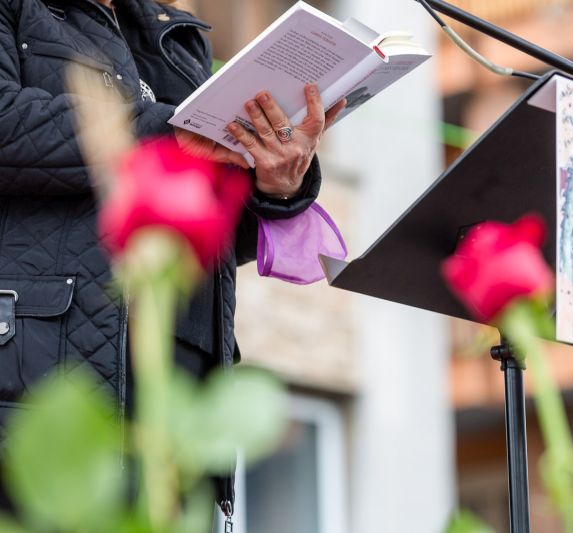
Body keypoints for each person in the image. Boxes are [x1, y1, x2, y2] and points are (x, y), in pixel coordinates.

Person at [0, 0, 344, 516]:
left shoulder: (178, 39)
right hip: (50, 365)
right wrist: (169, 134)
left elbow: (212, 233)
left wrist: (276, 185)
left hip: (177, 389)